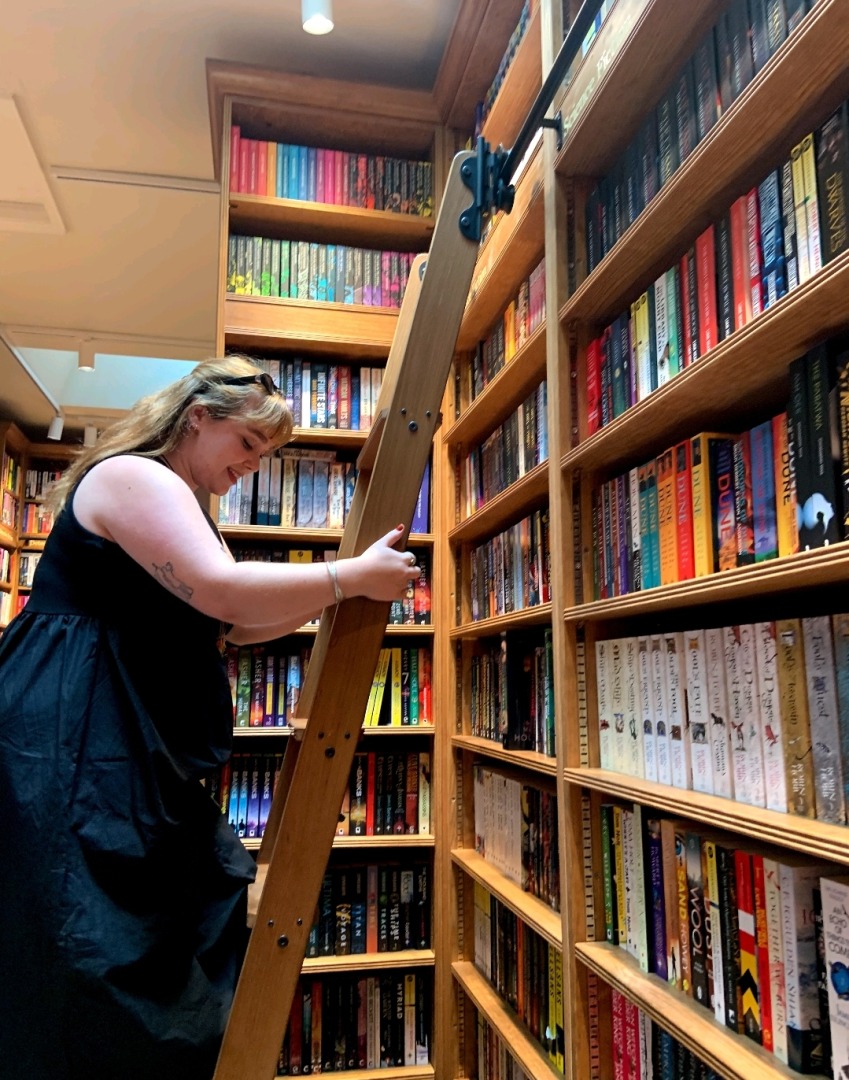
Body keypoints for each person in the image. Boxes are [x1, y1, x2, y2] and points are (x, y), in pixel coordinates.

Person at [0, 354, 419, 1080]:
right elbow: (224, 593)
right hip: (75, 729)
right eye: (247, 445)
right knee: (78, 928)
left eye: (265, 455)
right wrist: (346, 577)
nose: (251, 467)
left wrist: (338, 594)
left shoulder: (183, 502)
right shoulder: (135, 477)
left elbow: (233, 627)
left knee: (120, 922)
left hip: (111, 730)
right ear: (198, 419)